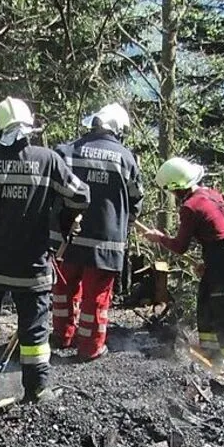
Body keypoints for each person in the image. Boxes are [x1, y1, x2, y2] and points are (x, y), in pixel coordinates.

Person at [0, 96, 90, 404]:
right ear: (30, 127)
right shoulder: (50, 160)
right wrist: (63, 218)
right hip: (33, 267)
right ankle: (37, 390)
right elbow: (81, 197)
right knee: (35, 331)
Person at [141, 157, 224, 379]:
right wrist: (210, 263)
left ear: (176, 188)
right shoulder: (212, 194)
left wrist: (160, 238)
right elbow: (219, 231)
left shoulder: (190, 207)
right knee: (207, 305)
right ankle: (211, 361)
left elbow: (180, 247)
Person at [50, 103, 142, 361]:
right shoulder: (126, 158)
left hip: (66, 238)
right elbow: (136, 200)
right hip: (106, 243)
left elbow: (51, 190)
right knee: (96, 296)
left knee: (63, 290)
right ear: (118, 129)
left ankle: (62, 335)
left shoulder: (66, 151)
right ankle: (90, 347)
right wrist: (125, 223)